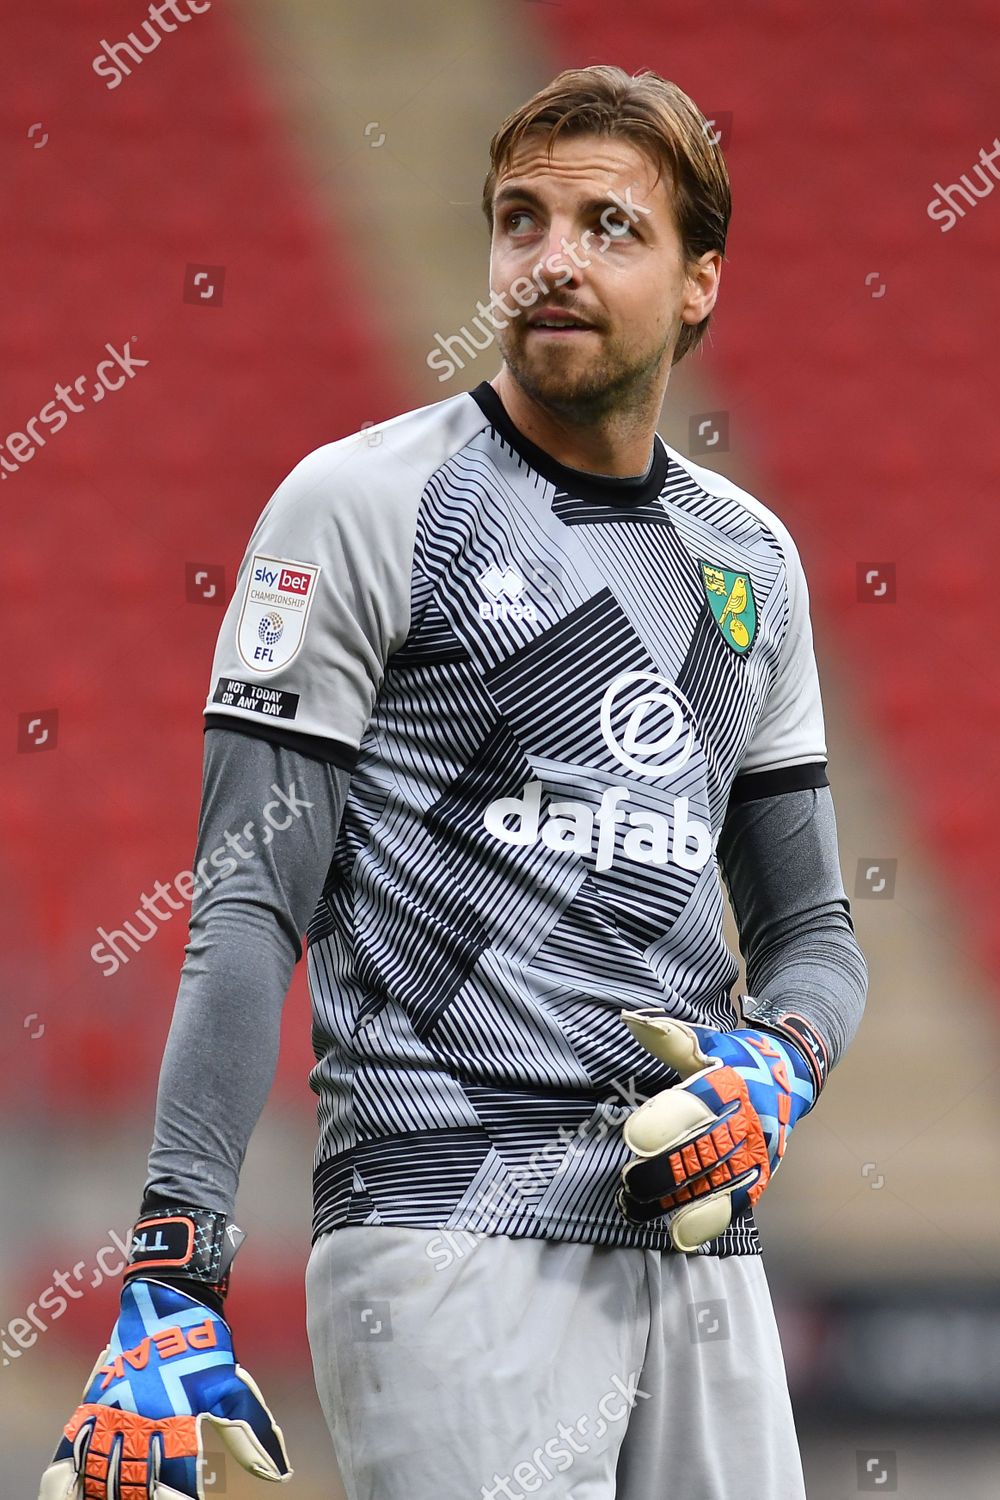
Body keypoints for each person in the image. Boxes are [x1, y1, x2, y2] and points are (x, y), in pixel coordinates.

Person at [40, 64, 868, 1500]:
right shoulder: (362, 504)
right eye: (520, 219)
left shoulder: (753, 563)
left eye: (609, 225)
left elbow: (814, 935)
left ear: (699, 285)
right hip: (444, 1229)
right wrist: (175, 1269)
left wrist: (781, 1063)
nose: (551, 258)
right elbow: (244, 912)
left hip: (693, 1242)